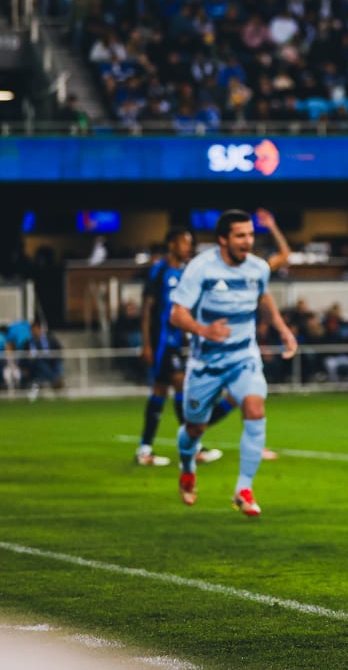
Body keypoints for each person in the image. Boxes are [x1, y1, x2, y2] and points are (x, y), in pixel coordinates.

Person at [168, 210, 298, 516]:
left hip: (244, 357)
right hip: (206, 364)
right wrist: (204, 330)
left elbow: (264, 298)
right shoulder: (201, 268)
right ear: (223, 239)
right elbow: (177, 314)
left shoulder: (257, 268)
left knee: (255, 409)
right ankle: (187, 466)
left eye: (251, 234)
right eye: (240, 235)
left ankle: (243, 488)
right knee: (194, 428)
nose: (248, 241)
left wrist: (283, 331)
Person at [135, 227, 223, 467]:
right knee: (181, 385)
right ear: (172, 244)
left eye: (190, 243)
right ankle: (191, 445)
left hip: (177, 342)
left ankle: (145, 448)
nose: (188, 247)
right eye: (184, 243)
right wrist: (146, 344)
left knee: (160, 392)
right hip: (162, 342)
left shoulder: (185, 273)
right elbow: (148, 309)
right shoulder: (160, 270)